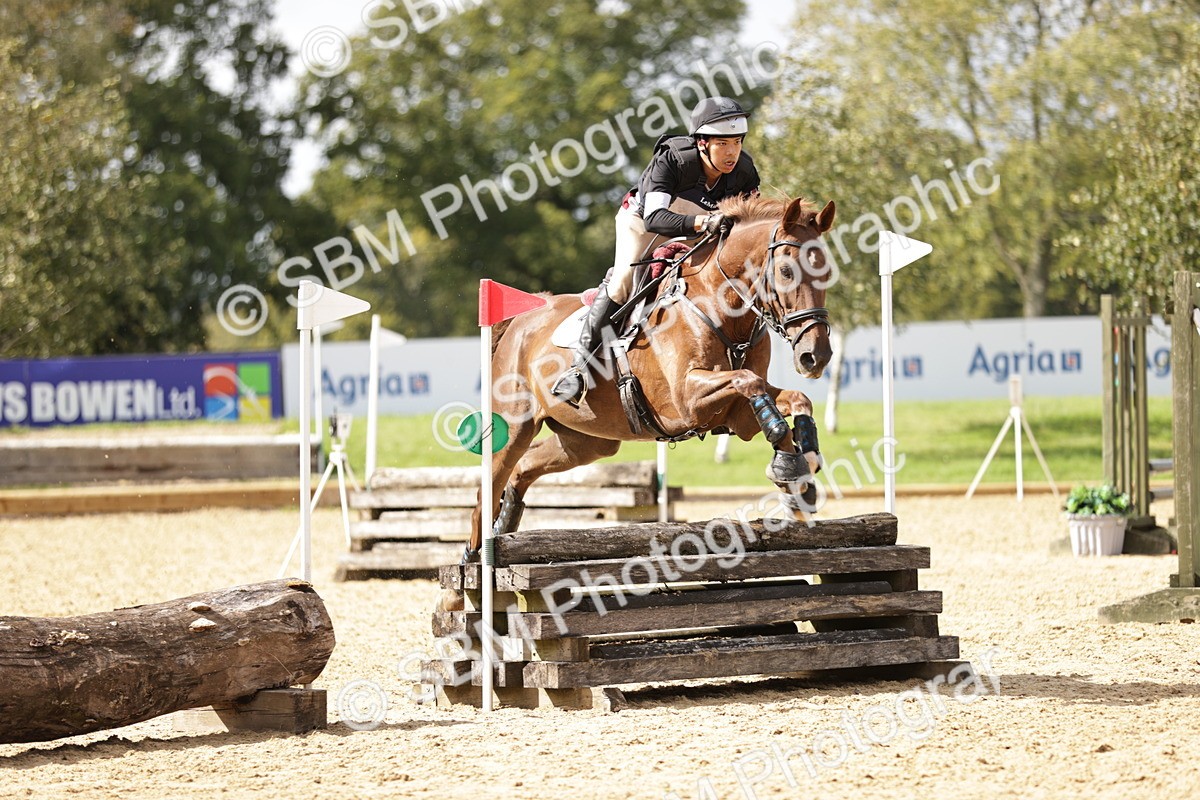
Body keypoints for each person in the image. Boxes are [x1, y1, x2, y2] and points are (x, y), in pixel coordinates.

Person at [551, 96, 762, 405]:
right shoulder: (673, 160)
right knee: (625, 281)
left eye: (737, 142)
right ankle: (579, 369)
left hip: (699, 227)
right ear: (702, 143)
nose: (732, 152)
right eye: (723, 144)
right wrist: (705, 221)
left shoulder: (744, 171)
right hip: (644, 223)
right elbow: (656, 218)